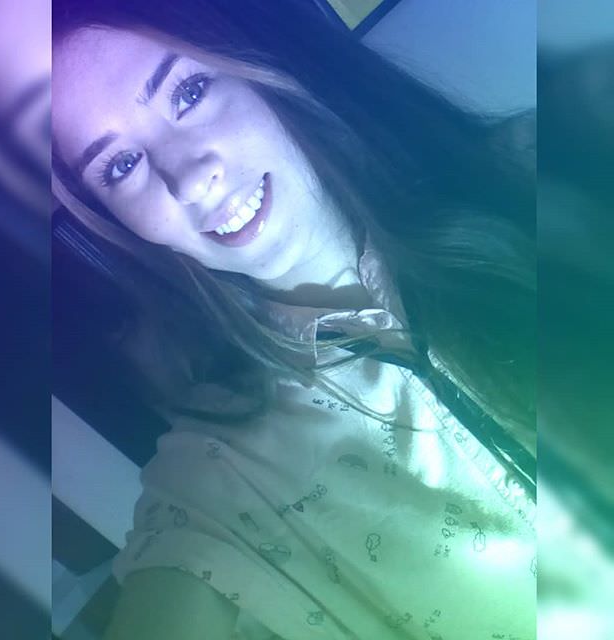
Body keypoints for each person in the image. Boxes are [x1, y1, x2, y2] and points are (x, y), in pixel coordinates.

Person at [52, 1, 536, 638]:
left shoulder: (531, 175)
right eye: (120, 166)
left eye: (188, 92)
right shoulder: (218, 480)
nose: (189, 180)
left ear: (262, 66)